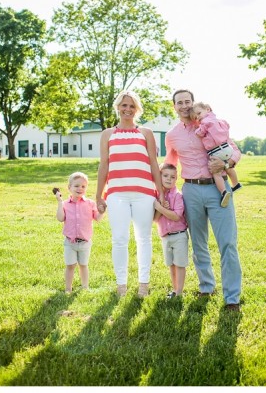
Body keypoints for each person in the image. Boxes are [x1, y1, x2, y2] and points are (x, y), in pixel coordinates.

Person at [164, 89, 242, 311]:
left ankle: (232, 298)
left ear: (193, 103)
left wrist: (226, 165)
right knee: (198, 243)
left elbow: (234, 150)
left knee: (227, 243)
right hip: (191, 191)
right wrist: (163, 190)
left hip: (218, 191)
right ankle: (206, 287)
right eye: (180, 102)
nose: (184, 105)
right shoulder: (172, 135)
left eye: (188, 101)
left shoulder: (210, 125)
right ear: (174, 107)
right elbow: (169, 165)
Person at [94, 90, 162, 298]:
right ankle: (121, 285)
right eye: (124, 105)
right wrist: (99, 195)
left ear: (137, 110)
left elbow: (153, 162)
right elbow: (104, 165)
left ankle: (143, 284)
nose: (127, 109)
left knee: (144, 238)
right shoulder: (108, 134)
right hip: (117, 194)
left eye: (132, 106)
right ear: (118, 107)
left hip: (144, 193)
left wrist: (160, 192)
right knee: (120, 239)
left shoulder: (146, 133)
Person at [54, 172, 102, 294]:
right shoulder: (65, 204)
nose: (80, 189)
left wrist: (102, 211)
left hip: (85, 242)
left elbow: (97, 218)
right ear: (69, 188)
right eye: (76, 186)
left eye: (83, 186)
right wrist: (59, 202)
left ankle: (85, 287)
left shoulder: (90, 203)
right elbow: (60, 218)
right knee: (70, 266)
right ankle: (68, 289)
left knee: (83, 265)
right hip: (70, 242)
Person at [192, 101, 241, 207]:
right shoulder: (219, 121)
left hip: (217, 151)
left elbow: (201, 133)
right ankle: (236, 184)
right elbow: (227, 126)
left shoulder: (205, 122)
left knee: (216, 173)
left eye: (199, 113)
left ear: (208, 109)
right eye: (195, 117)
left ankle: (223, 192)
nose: (198, 118)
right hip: (227, 148)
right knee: (228, 168)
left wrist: (197, 131)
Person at [153, 163, 188, 300]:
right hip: (165, 236)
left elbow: (176, 216)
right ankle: (174, 290)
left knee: (179, 264)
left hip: (179, 235)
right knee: (171, 265)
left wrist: (160, 208)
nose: (169, 179)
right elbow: (155, 219)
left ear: (176, 179)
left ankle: (179, 291)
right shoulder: (159, 196)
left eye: (172, 177)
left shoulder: (177, 195)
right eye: (165, 175)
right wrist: (160, 206)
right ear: (159, 177)